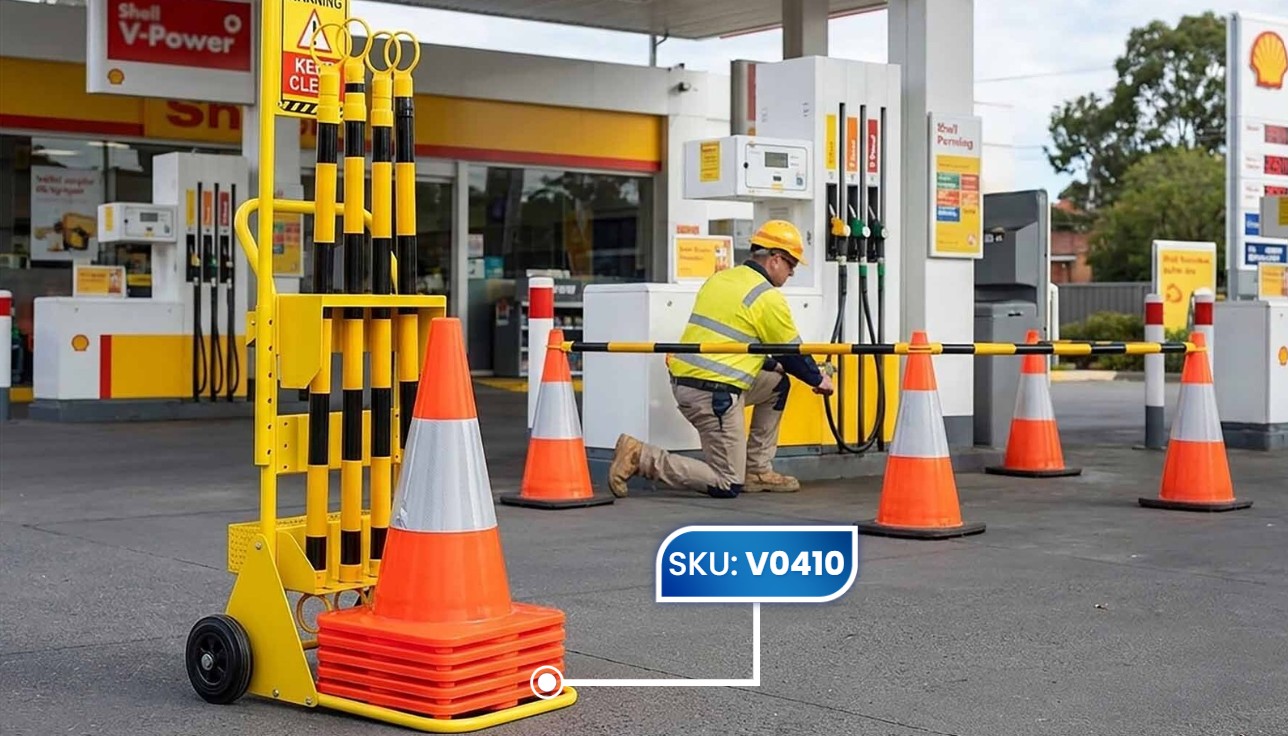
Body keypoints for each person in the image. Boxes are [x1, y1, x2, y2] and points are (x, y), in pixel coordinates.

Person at [608, 220, 834, 499]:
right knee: (727, 483)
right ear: (775, 259)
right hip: (713, 394)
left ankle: (758, 469)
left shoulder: (720, 279)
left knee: (777, 383)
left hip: (692, 382)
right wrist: (819, 379)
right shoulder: (766, 297)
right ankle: (640, 456)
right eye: (791, 265)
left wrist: (771, 364)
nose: (791, 272)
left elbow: (729, 343)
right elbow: (791, 353)